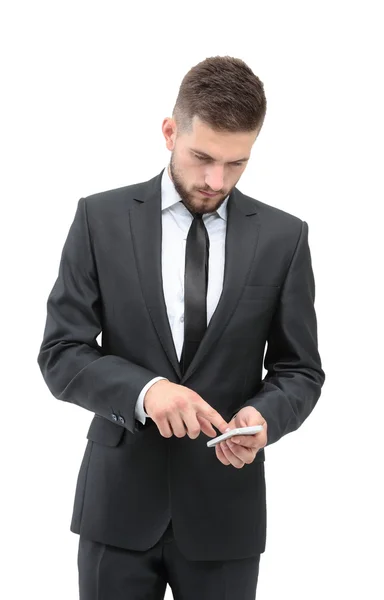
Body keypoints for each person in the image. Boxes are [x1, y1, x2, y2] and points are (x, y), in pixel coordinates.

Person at [37, 55, 325, 599]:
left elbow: (299, 370)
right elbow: (62, 353)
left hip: (225, 515)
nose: (216, 181)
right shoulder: (99, 219)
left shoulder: (285, 238)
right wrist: (147, 392)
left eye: (236, 164)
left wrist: (264, 418)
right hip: (116, 510)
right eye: (202, 158)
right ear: (170, 132)